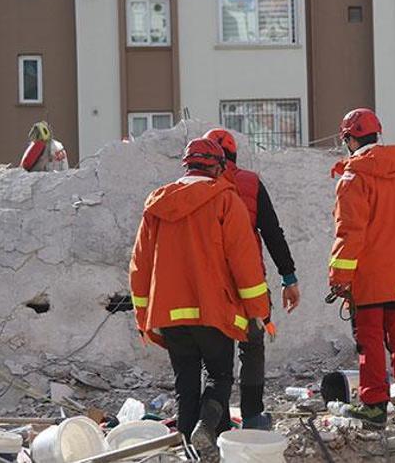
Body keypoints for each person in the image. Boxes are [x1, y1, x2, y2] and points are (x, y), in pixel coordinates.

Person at [128, 137, 269, 460]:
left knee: (186, 384)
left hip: (170, 314)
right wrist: (257, 311)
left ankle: (191, 451)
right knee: (219, 376)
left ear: (187, 166)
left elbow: (139, 266)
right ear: (218, 167)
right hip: (213, 310)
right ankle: (207, 425)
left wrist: (144, 316)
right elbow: (244, 262)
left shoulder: (157, 204)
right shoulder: (225, 200)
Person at [328, 108, 395, 428]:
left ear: (349, 139)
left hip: (370, 276)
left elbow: (350, 233)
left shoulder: (354, 178)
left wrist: (340, 278)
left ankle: (373, 404)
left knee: (368, 339)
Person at [203, 127, 301, 430]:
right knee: (252, 346)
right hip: (249, 283)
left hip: (210, 283)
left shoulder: (195, 187)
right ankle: (253, 415)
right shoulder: (250, 183)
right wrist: (289, 277)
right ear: (234, 155)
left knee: (216, 351)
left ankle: (213, 420)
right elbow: (273, 233)